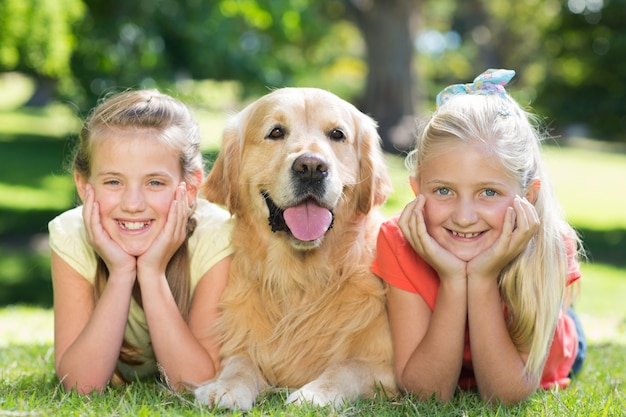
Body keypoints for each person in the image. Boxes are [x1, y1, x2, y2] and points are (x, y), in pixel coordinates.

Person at [372, 69, 586, 404]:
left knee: (565, 324)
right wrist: (455, 279)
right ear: (416, 191)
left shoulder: (550, 243)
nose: (464, 216)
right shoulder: (397, 240)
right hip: (460, 363)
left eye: (488, 192)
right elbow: (426, 394)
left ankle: (565, 314)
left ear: (527, 197)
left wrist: (483, 279)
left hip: (550, 352)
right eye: (443, 190)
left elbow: (505, 396)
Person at [48, 89, 234, 394]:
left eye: (155, 182)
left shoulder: (216, 236)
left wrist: (151, 272)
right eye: (113, 182)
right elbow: (81, 385)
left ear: (190, 189)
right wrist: (121, 272)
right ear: (84, 186)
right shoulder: (71, 234)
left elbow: (197, 381)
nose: (133, 204)